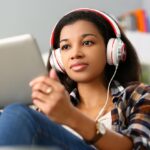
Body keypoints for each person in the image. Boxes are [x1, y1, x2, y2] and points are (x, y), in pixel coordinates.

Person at [0, 8, 149, 150]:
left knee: (18, 113)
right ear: (57, 60)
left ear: (113, 50)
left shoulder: (138, 96)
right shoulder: (49, 109)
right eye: (66, 47)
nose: (75, 54)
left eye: (87, 42)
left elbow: (140, 146)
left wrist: (71, 116)